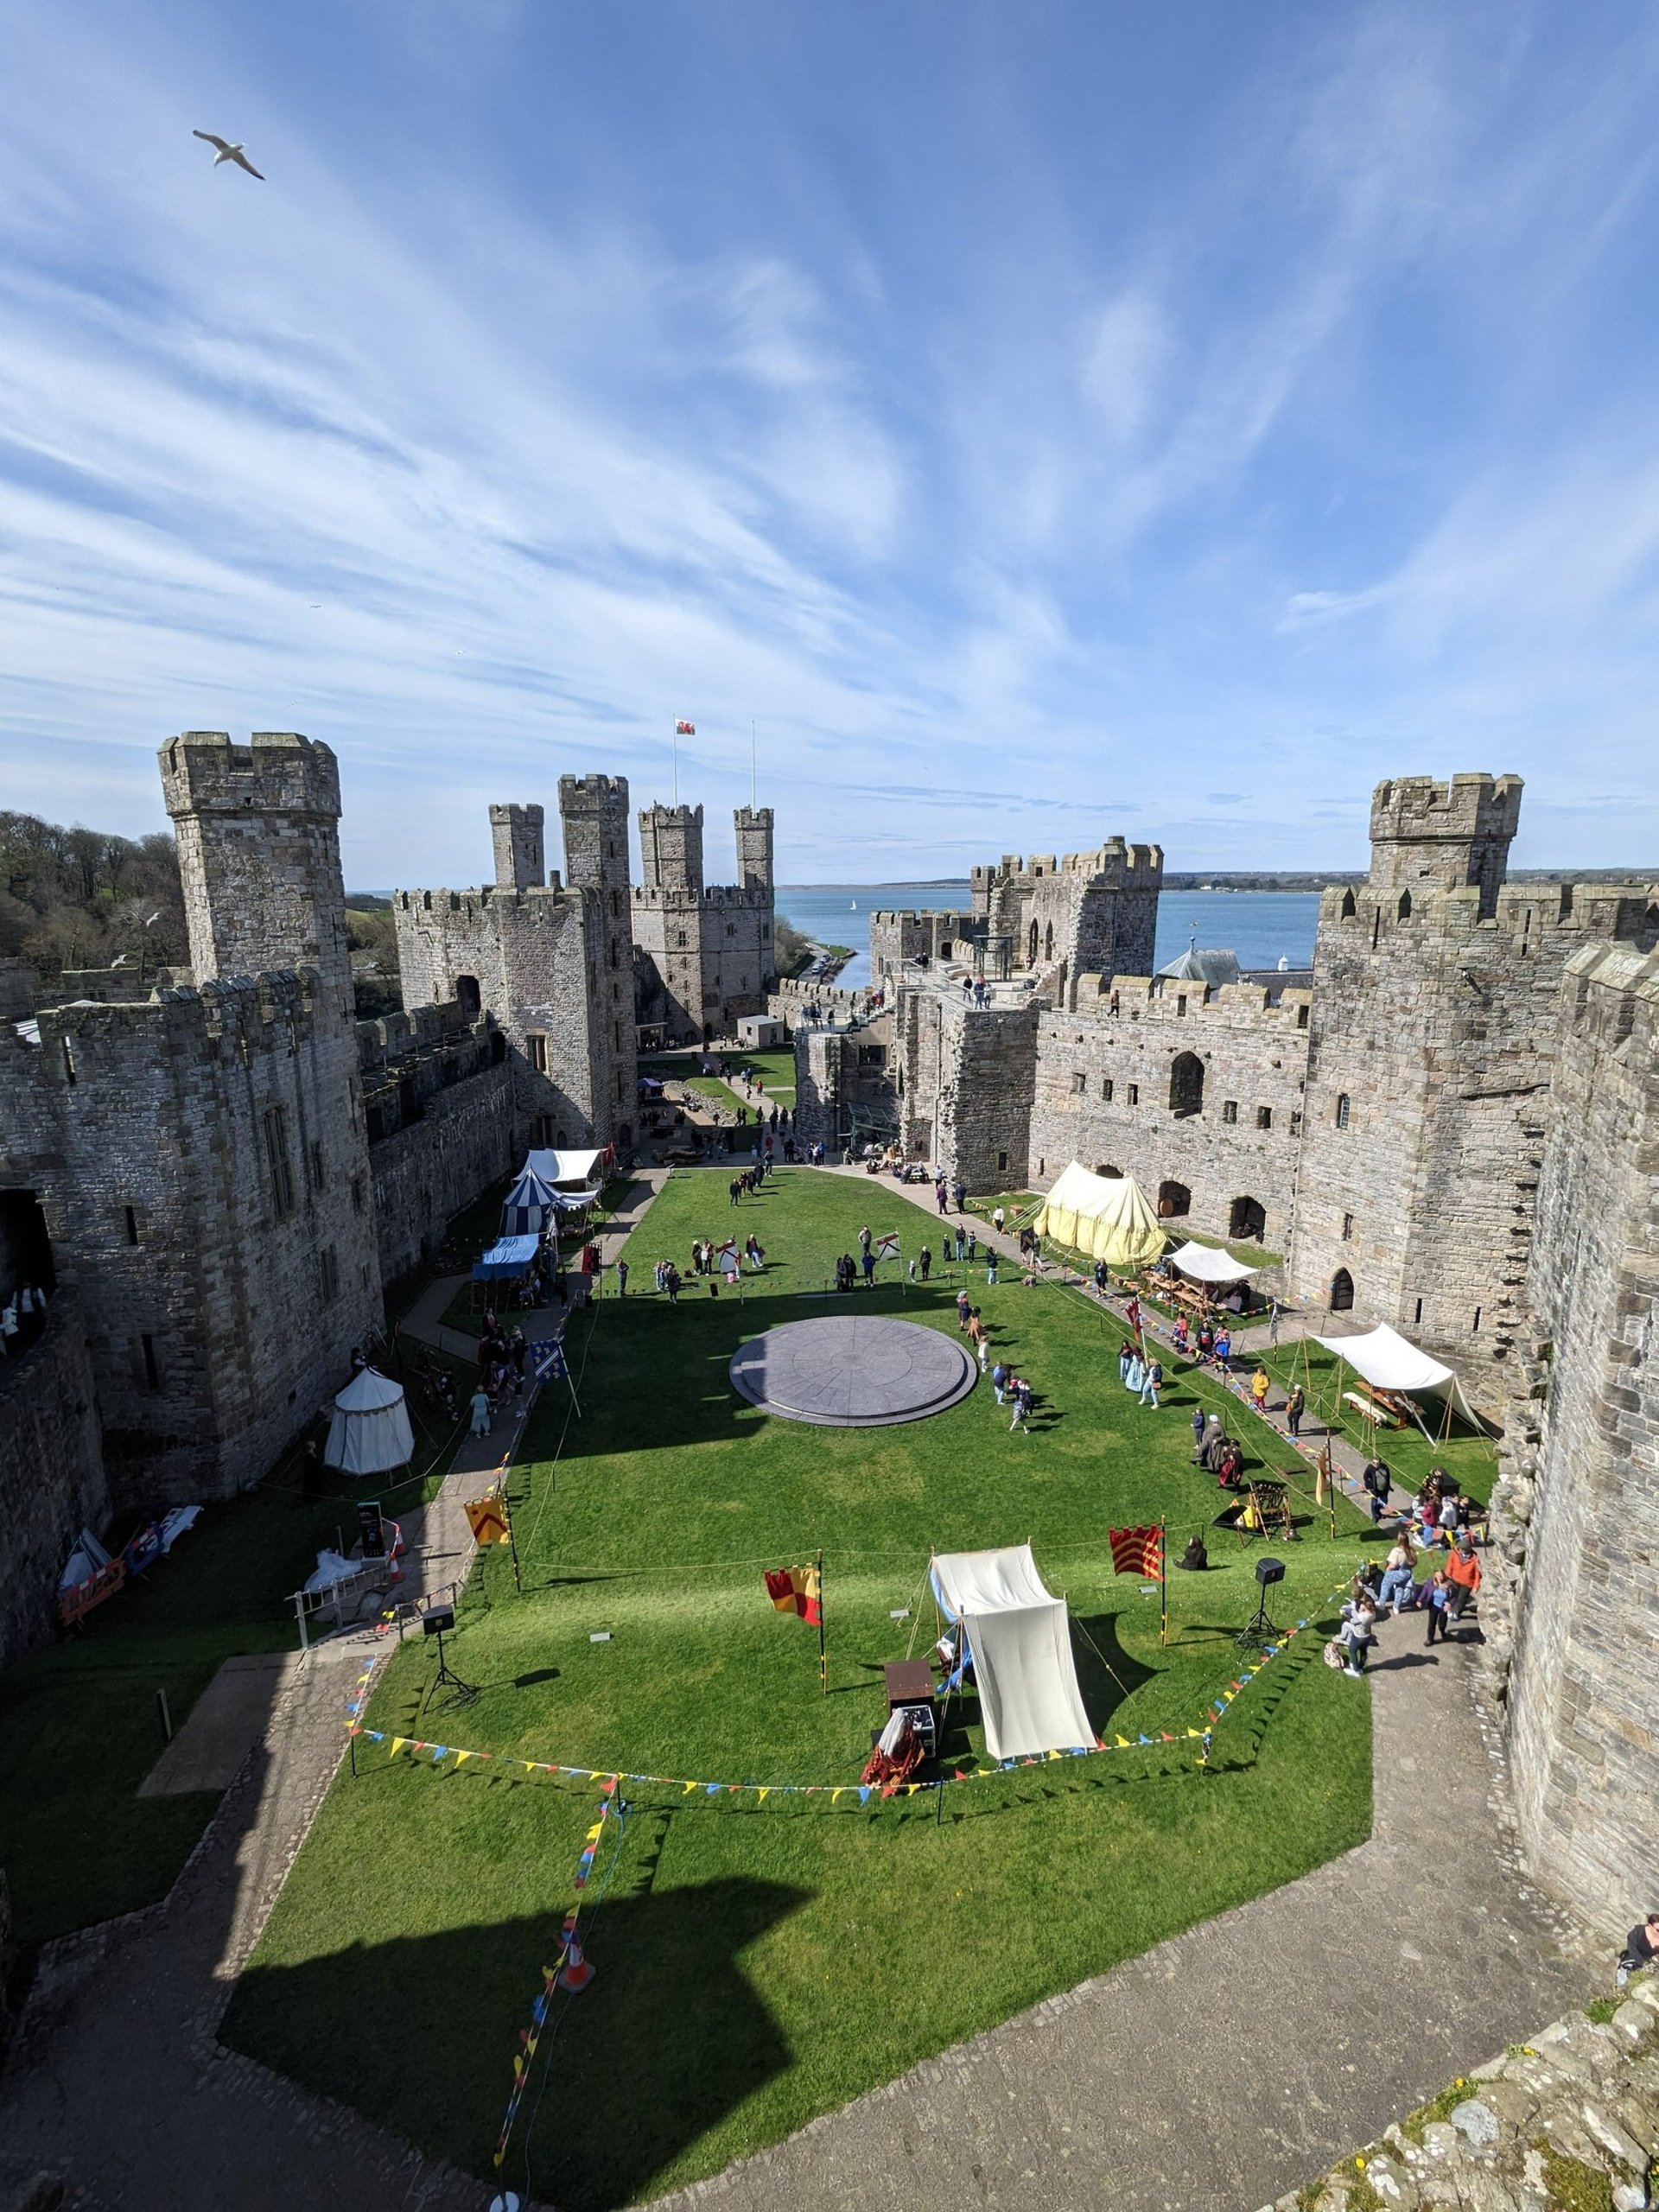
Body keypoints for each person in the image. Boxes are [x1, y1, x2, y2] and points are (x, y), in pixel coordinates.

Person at [1444, 1536, 1482, 1632]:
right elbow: (1450, 1563)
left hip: (1467, 1583)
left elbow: (1477, 1573)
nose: (1460, 1549)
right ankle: (1451, 1608)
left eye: (1462, 1548)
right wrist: (1447, 1574)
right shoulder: (1454, 1553)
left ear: (1468, 1548)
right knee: (1453, 1596)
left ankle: (1456, 1612)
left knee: (1462, 1599)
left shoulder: (1475, 1558)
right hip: (1455, 1579)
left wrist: (1476, 1585)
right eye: (1460, 1547)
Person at [1338, 1594, 1378, 1678]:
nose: (1360, 1605)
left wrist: (1344, 1615)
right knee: (1363, 1651)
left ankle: (1355, 1670)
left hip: (1359, 1636)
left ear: (1366, 1607)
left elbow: (1351, 1621)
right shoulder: (1373, 1613)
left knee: (1352, 1651)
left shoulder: (1361, 1616)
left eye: (1362, 1604)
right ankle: (1361, 1666)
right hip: (1367, 1635)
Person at [1378, 1535, 1417, 1613]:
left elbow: (1393, 1565)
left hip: (1397, 1572)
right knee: (1401, 1588)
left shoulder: (1396, 1551)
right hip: (1407, 1572)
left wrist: (1388, 1570)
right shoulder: (1410, 1550)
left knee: (1385, 1585)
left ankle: (1381, 1603)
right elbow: (1414, 1562)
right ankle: (1396, 1607)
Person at [1618, 1912, 1659, 1986]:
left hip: (1648, 1970)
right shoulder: (1638, 1931)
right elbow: (1631, 1947)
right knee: (1622, 1984)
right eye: (1658, 1930)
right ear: (1650, 1925)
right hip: (1631, 1962)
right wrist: (1643, 1963)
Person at [1422, 1567, 1452, 1645]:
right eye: (1438, 1576)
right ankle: (1430, 1639)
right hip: (1433, 1606)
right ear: (1435, 1576)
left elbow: (1455, 1596)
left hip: (1443, 1607)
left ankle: (1442, 1631)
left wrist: (1450, 1604)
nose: (1440, 1578)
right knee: (1431, 1623)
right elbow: (1425, 1591)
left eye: (1441, 1576)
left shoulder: (1448, 1584)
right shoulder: (1431, 1583)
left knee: (1442, 1623)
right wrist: (1419, 1600)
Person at [1362, 1457, 1393, 1524]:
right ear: (1372, 1462)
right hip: (1375, 1490)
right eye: (1374, 1463)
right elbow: (1365, 1478)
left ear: (1380, 1463)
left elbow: (1388, 1477)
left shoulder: (1385, 1467)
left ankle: (1377, 1512)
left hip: (1384, 1489)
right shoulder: (1370, 1469)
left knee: (1384, 1503)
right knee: (1374, 1503)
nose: (1375, 1464)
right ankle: (1374, 1516)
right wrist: (1371, 1486)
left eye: (1377, 1463)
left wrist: (1388, 1485)